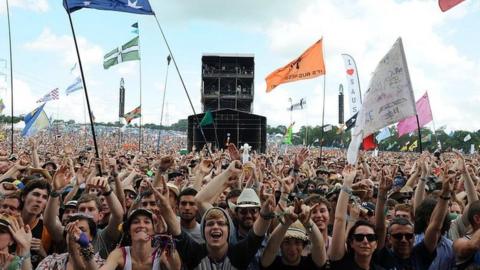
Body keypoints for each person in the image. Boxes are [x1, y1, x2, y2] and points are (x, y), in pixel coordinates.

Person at [163, 161, 276, 270]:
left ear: (228, 231)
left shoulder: (239, 254)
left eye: (221, 223)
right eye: (210, 223)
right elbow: (179, 228)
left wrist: (266, 214)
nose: (215, 227)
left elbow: (256, 236)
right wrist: (227, 172)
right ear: (203, 230)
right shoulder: (195, 253)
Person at [83, 208, 180, 270]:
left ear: (154, 230)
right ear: (129, 230)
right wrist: (86, 247)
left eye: (146, 222)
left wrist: (165, 237)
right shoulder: (119, 254)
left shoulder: (162, 253)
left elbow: (175, 267)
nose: (141, 226)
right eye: (136, 222)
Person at [260, 200, 327, 269]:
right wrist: (286, 223)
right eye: (287, 242)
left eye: (297, 242)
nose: (292, 248)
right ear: (280, 244)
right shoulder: (271, 262)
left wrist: (308, 222)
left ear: (303, 245)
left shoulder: (310, 263)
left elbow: (319, 246)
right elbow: (271, 247)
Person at [36, 214, 105, 270]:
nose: (75, 235)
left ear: (91, 237)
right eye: (71, 229)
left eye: (81, 231)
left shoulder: (101, 264)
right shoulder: (51, 261)